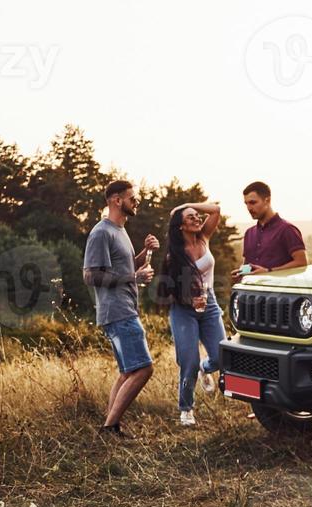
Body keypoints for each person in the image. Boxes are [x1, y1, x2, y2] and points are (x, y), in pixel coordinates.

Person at [82, 180, 158, 439]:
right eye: (131, 197)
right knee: (144, 369)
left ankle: (110, 425)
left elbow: (123, 268)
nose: (136, 201)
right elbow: (91, 276)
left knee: (127, 371)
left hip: (123, 309)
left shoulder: (120, 231)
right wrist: (133, 278)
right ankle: (108, 428)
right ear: (116, 200)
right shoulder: (101, 232)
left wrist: (145, 252)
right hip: (117, 311)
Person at [160, 201, 223, 427]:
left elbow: (215, 209)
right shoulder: (173, 256)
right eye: (190, 217)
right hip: (183, 310)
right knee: (188, 361)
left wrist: (185, 205)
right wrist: (188, 299)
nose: (197, 219)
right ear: (180, 227)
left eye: (197, 215)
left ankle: (204, 369)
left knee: (221, 356)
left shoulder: (204, 237)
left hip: (210, 304)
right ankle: (186, 409)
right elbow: (167, 292)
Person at [240, 181, 307, 273]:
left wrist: (268, 271)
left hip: (278, 286)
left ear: (267, 200)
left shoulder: (287, 229)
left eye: (253, 202)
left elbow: (302, 262)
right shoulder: (249, 233)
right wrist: (241, 273)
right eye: (246, 203)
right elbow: (247, 264)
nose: (249, 208)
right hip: (252, 287)